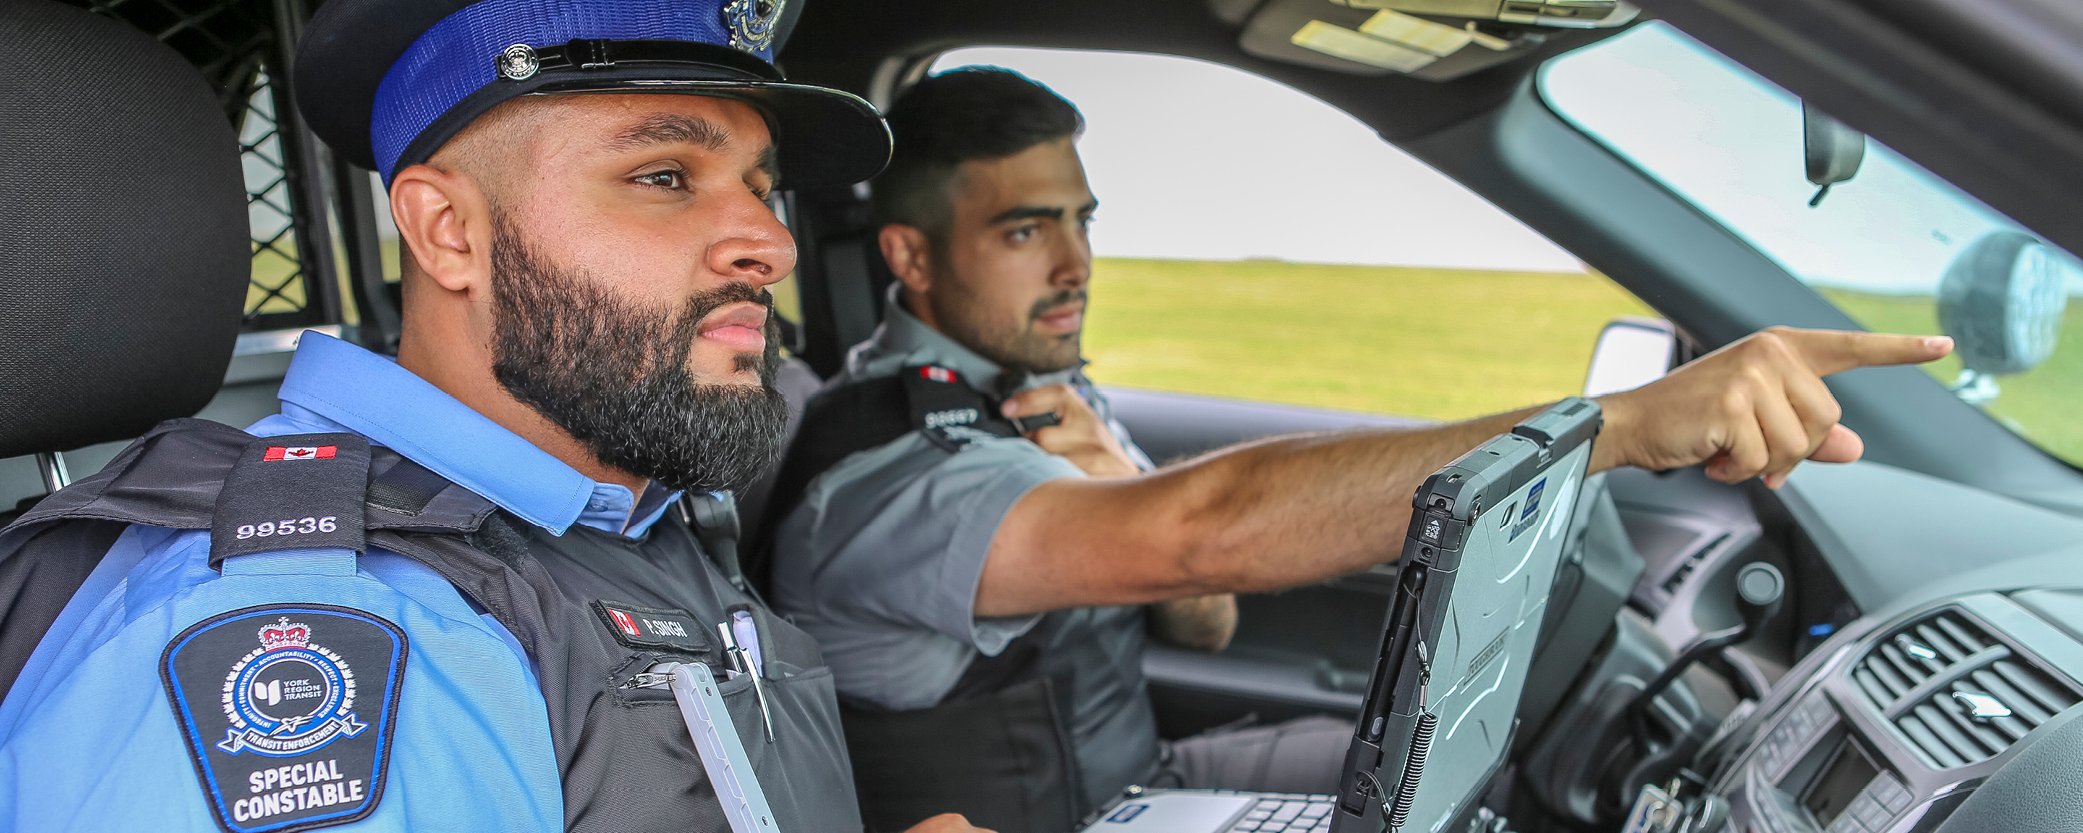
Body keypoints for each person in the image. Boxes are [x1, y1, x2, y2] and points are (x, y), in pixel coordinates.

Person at [760, 66, 1954, 833]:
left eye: (1081, 220)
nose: (1074, 265)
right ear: (911, 258)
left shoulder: (1048, 395)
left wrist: (1117, 480)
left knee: (1491, 773)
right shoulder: (892, 468)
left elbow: (1203, 611)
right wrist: (1624, 425)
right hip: (1061, 816)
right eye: (1026, 230)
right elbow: (1202, 527)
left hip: (1139, 782)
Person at [0, 1, 991, 831]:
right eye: (663, 177)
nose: (770, 244)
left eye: (760, 188)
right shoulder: (335, 624)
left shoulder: (624, 511)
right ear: (450, 232)